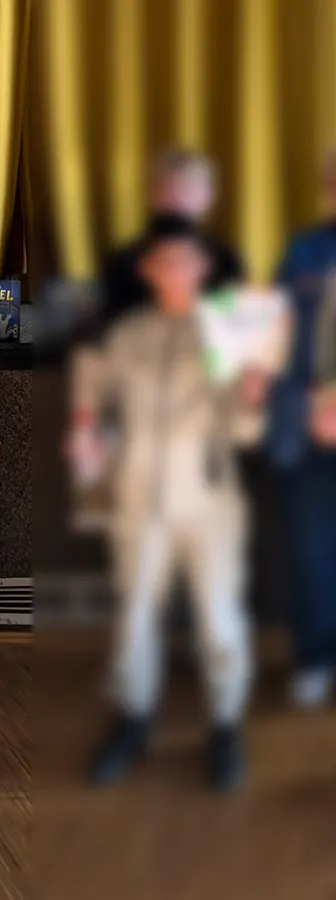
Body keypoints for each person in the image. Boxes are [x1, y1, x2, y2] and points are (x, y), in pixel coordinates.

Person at [76, 218, 266, 791]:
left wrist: (252, 397)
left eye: (188, 261)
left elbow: (245, 432)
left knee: (219, 620)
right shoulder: (127, 334)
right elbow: (97, 407)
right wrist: (87, 436)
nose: (177, 272)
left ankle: (226, 724)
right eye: (165, 262)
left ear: (204, 269)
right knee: (135, 618)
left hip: (209, 498)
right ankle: (135, 719)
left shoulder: (227, 333)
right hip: (138, 499)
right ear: (148, 270)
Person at [269, 149, 336, 710]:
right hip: (312, 430)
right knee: (314, 551)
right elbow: (274, 337)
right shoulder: (305, 251)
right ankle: (317, 658)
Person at [98, 150, 243, 326]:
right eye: (169, 187)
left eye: (189, 188)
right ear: (152, 193)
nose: (178, 197)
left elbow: (232, 327)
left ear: (209, 196)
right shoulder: (124, 261)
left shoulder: (226, 259)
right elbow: (113, 326)